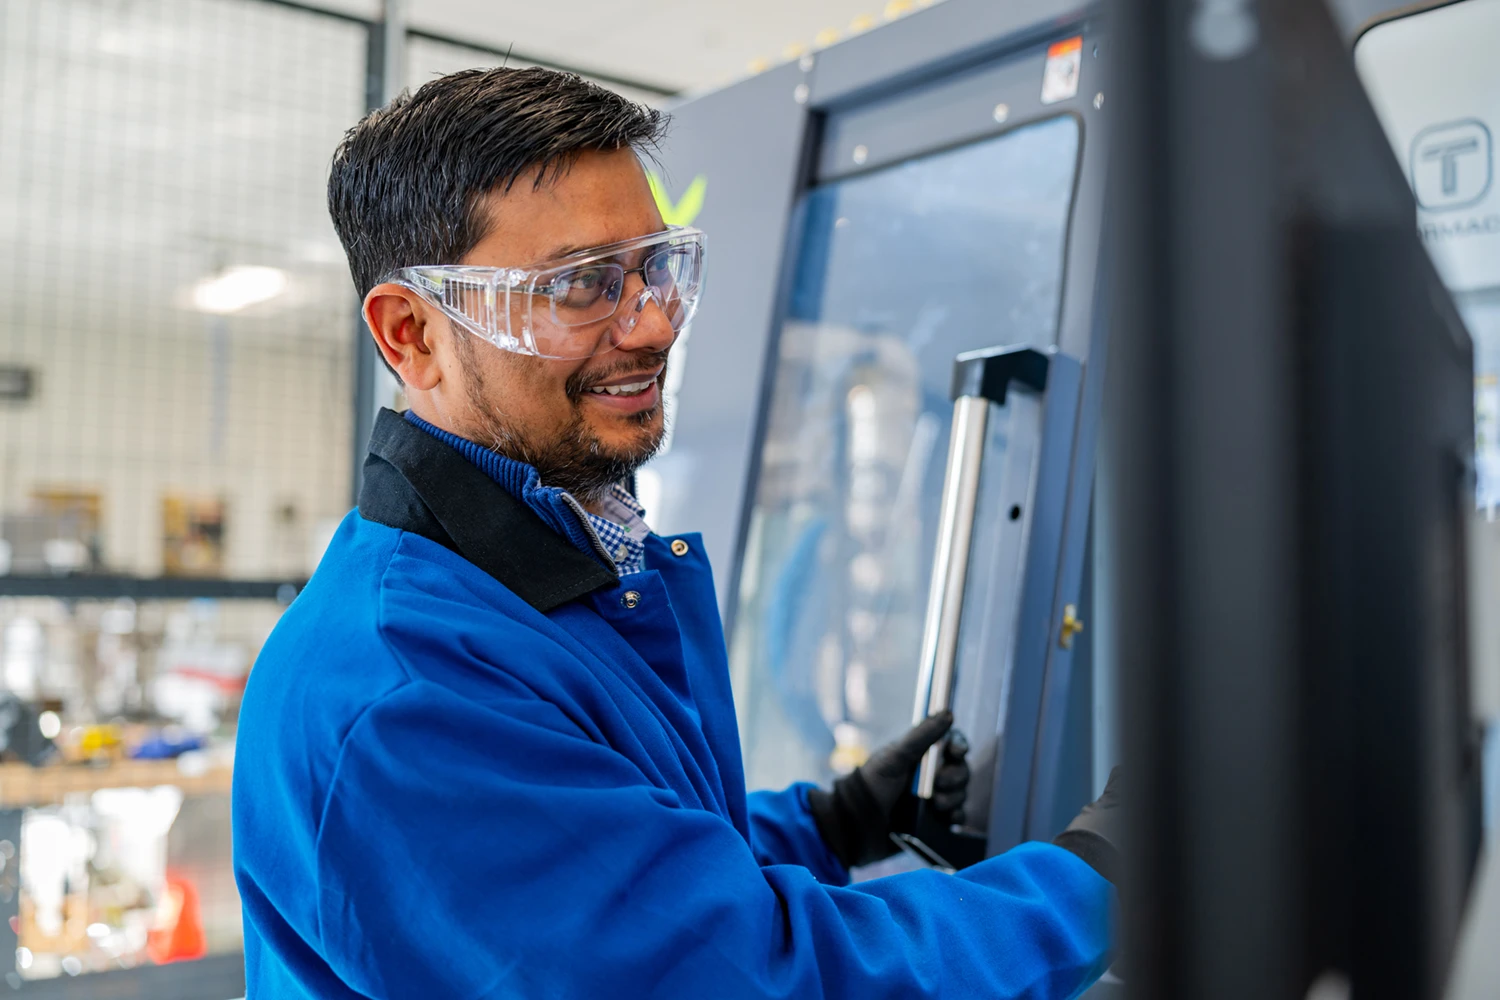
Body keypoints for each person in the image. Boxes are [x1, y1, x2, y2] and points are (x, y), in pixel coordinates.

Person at [232, 66, 1121, 999]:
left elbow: (625, 861)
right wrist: (1099, 877)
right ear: (411, 333)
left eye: (657, 267)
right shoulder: (402, 692)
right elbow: (749, 978)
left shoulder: (544, 573)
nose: (654, 323)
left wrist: (832, 821)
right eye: (581, 286)